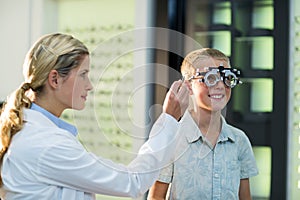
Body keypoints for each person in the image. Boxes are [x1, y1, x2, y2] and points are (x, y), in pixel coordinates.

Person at [0, 33, 189, 199]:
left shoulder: (36, 133)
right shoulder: (46, 145)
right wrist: (169, 119)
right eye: (83, 74)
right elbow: (133, 182)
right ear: (55, 79)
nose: (89, 85)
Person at [148, 48, 259, 200]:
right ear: (188, 85)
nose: (220, 86)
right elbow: (155, 197)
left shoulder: (239, 141)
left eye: (226, 77)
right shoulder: (171, 139)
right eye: (211, 78)